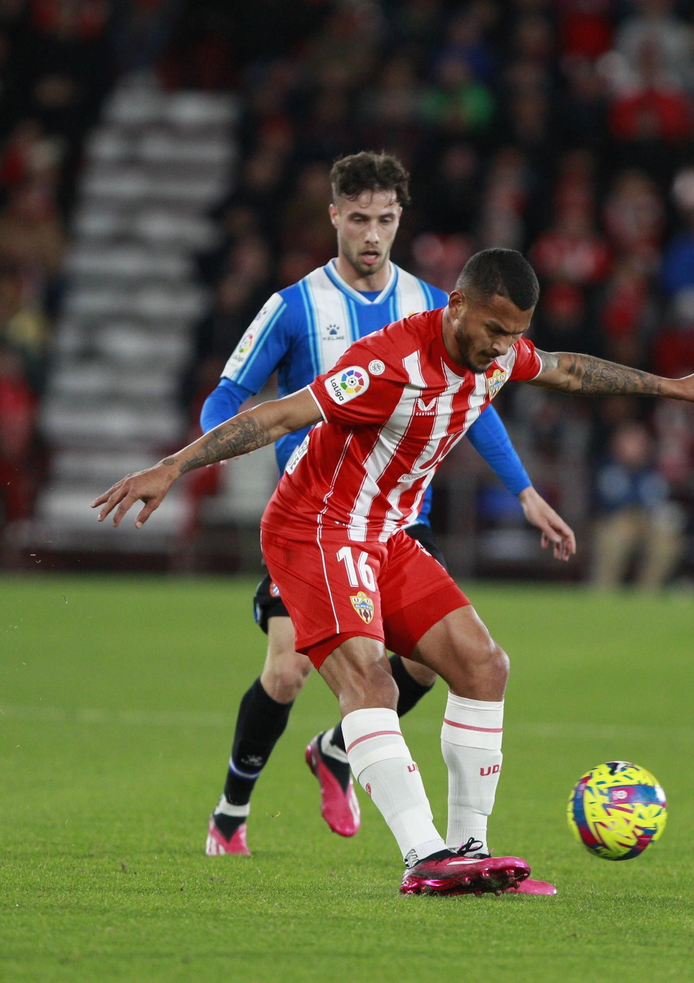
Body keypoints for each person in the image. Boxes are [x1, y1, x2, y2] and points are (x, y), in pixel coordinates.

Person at [94, 248, 694, 895]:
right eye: (493, 329)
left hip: (388, 533)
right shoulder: (386, 363)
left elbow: (568, 370)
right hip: (315, 529)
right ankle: (422, 856)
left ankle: (469, 849)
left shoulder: (503, 353)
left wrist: (672, 385)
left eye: (514, 333)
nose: (502, 347)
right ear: (456, 305)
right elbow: (281, 413)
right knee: (370, 681)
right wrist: (173, 466)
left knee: (483, 664)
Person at [194, 152, 575, 859]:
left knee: (440, 662)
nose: (373, 234)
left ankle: (343, 752)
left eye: (386, 220)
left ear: (401, 221)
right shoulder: (294, 306)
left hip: (401, 517)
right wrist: (234, 455)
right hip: (314, 516)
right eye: (360, 218)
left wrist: (522, 488)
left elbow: (478, 401)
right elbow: (228, 397)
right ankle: (230, 812)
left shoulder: (437, 306)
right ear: (335, 216)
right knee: (289, 670)